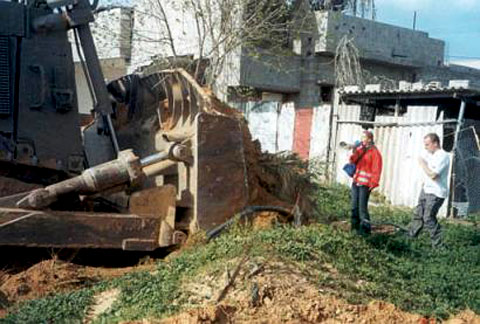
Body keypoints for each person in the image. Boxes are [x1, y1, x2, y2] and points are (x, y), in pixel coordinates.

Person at [408, 133, 450, 248]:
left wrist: (422, 164)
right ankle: (410, 237)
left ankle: (439, 246)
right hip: (426, 190)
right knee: (418, 214)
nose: (425, 147)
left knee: (428, 218)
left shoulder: (443, 156)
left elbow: (433, 175)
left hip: (436, 192)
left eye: (427, 144)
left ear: (435, 143)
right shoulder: (432, 154)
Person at [349, 130, 383, 235]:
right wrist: (355, 151)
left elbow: (376, 170)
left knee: (362, 209)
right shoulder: (361, 149)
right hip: (356, 182)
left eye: (364, 138)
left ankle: (365, 232)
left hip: (365, 185)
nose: (362, 139)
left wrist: (373, 184)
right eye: (361, 137)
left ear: (369, 139)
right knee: (354, 207)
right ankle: (354, 230)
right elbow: (352, 160)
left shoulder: (375, 153)